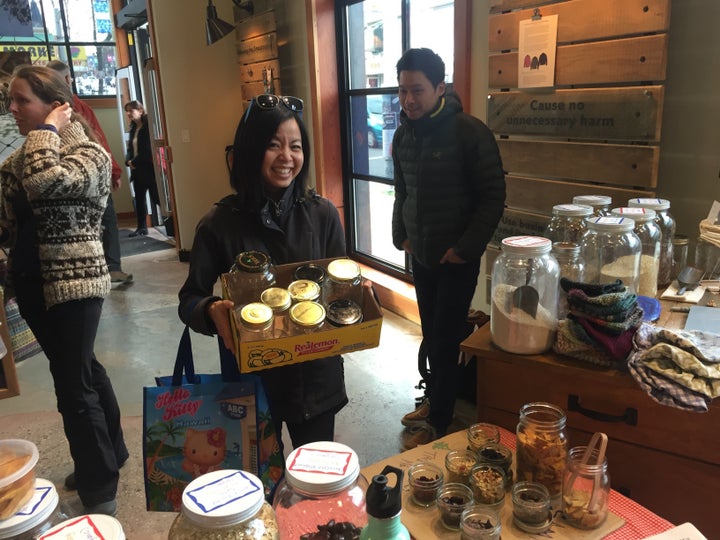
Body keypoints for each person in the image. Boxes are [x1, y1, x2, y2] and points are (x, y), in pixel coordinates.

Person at [179, 94, 348, 450]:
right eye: (274, 145)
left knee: (313, 480)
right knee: (261, 487)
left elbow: (339, 283)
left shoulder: (321, 214)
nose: (287, 157)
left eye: (296, 146)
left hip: (314, 378)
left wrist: (354, 300)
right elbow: (189, 298)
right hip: (252, 379)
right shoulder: (219, 223)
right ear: (250, 150)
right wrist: (210, 310)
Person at [1, 65, 128, 515]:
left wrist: (51, 128)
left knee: (73, 387)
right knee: (84, 371)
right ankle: (110, 455)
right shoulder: (24, 157)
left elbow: (45, 181)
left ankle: (100, 491)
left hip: (73, 286)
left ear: (54, 105)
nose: (12, 109)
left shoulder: (87, 154)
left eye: (21, 100)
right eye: (10, 100)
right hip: (35, 286)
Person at [391, 48, 506, 449]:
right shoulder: (403, 132)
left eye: (417, 90)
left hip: (456, 259)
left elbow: (493, 197)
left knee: (445, 337)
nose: (409, 100)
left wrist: (465, 248)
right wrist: (399, 234)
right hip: (421, 254)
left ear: (440, 88)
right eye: (403, 91)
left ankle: (439, 419)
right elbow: (402, 190)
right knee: (431, 333)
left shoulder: (468, 132)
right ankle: (434, 400)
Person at [47, 60, 133, 284]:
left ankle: (103, 270)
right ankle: (110, 267)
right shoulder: (76, 106)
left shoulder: (56, 110)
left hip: (67, 177)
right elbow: (99, 140)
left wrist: (113, 171)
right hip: (88, 174)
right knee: (105, 220)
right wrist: (114, 171)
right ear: (68, 79)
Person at [124, 100, 160, 237]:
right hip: (137, 169)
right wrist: (128, 161)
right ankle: (141, 228)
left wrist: (134, 161)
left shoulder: (148, 127)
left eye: (131, 110)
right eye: (127, 111)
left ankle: (172, 223)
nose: (128, 114)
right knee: (139, 199)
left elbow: (148, 150)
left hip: (148, 169)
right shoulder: (134, 129)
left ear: (140, 110)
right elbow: (130, 149)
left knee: (156, 197)